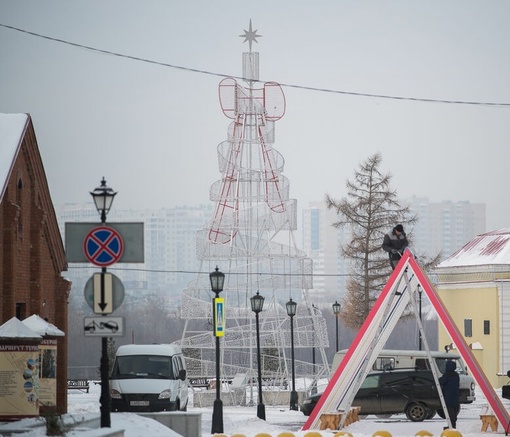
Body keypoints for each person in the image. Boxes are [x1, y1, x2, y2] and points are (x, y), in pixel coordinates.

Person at [439, 359, 460, 429]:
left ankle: (451, 426)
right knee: (454, 410)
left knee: (449, 410)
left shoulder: (447, 375)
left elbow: (442, 381)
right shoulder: (456, 375)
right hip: (455, 394)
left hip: (448, 395)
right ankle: (453, 424)